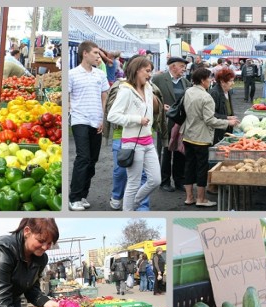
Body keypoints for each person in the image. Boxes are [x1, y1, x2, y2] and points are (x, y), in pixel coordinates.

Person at [107, 56, 162, 211]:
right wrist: (137, 119)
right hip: (132, 142)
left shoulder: (148, 88)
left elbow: (150, 110)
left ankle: (134, 203)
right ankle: (128, 211)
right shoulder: (125, 90)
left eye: (150, 71)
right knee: (134, 182)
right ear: (137, 70)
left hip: (148, 141)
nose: (150, 74)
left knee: (155, 180)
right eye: (147, 71)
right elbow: (112, 116)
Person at [181, 67, 238, 207]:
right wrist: (227, 122)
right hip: (201, 137)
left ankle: (189, 197)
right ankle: (201, 199)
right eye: (209, 78)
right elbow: (210, 120)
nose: (211, 80)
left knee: (188, 166)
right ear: (202, 80)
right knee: (202, 167)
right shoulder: (206, 97)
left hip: (188, 134)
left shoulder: (188, 91)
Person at [68, 41, 110, 211]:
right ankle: (74, 197)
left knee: (92, 160)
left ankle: (83, 195)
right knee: (83, 157)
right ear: (84, 53)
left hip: (96, 120)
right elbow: (67, 96)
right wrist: (70, 111)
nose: (98, 56)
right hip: (80, 120)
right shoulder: (72, 74)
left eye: (98, 53)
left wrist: (102, 118)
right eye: (95, 53)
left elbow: (104, 97)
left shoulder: (100, 75)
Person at [152, 56, 190, 193]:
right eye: (181, 66)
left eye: (184, 66)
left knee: (180, 152)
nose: (184, 68)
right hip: (165, 121)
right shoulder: (158, 79)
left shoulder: (186, 82)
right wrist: (161, 107)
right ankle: (165, 181)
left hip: (181, 123)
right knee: (166, 152)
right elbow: (150, 97)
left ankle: (179, 181)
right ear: (172, 66)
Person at [210, 68, 238, 145]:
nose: (233, 83)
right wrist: (227, 118)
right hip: (218, 131)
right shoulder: (214, 93)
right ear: (222, 81)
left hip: (226, 129)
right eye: (230, 81)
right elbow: (211, 114)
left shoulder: (227, 91)